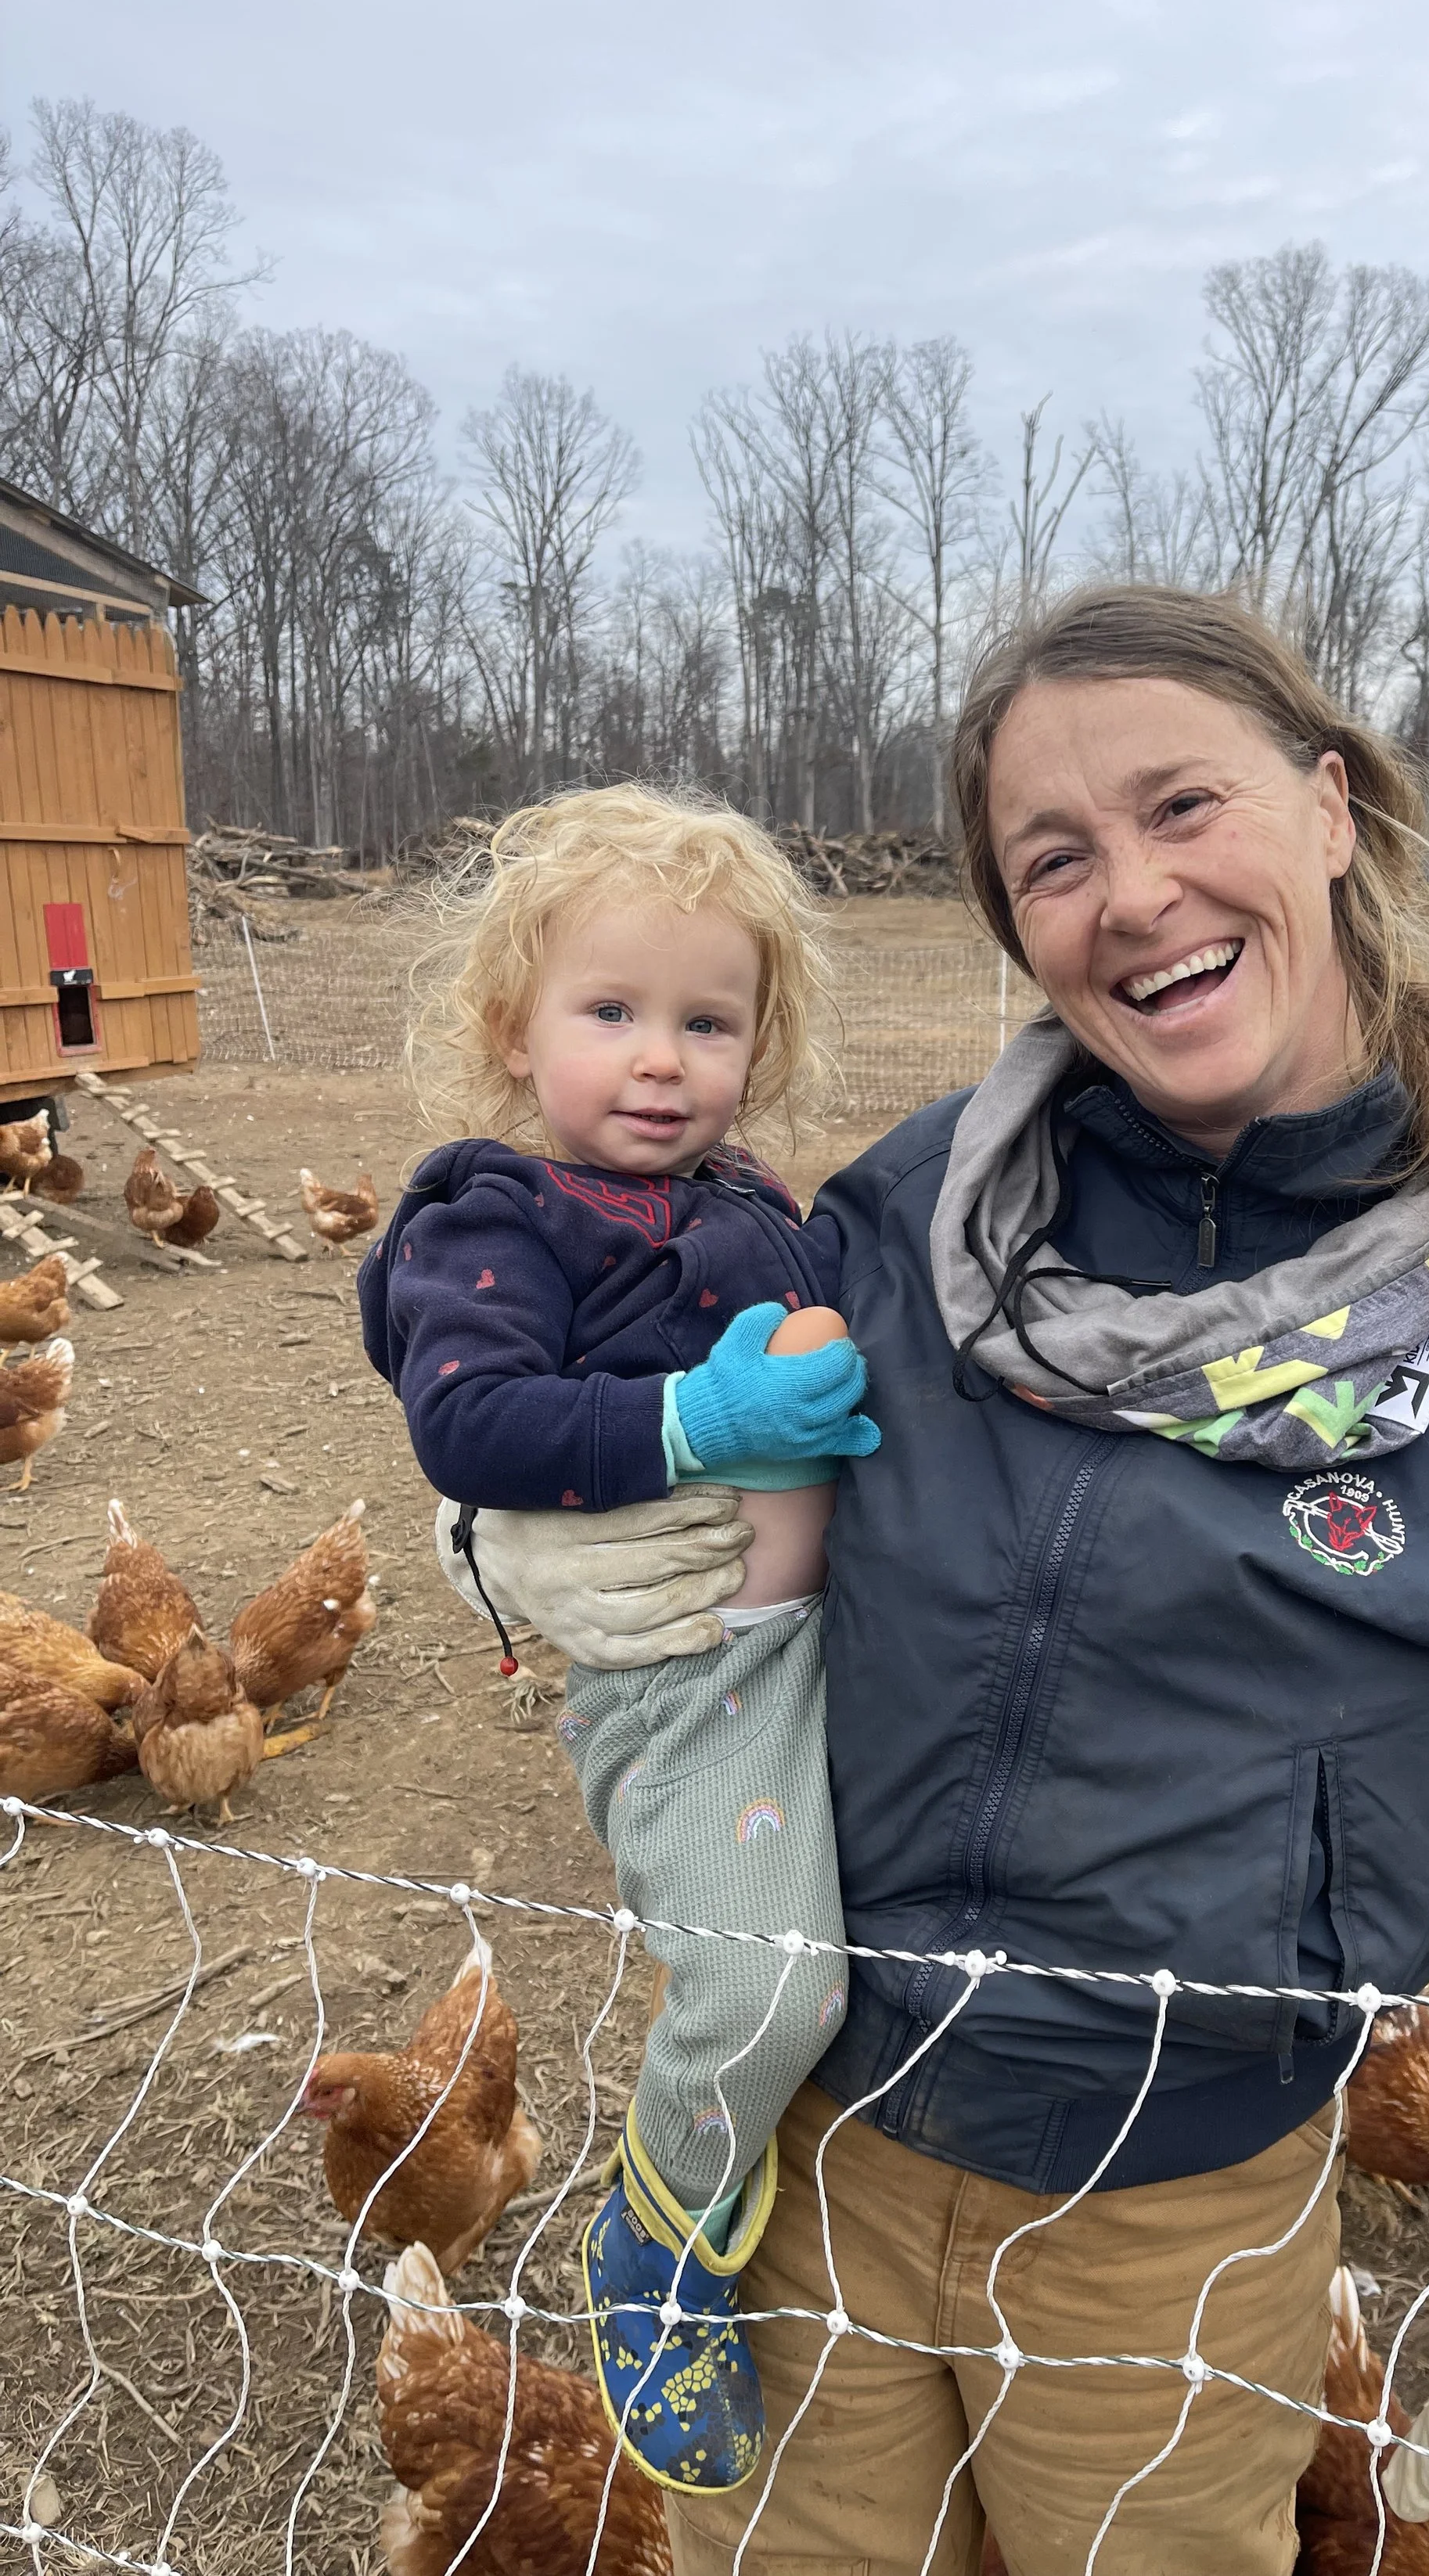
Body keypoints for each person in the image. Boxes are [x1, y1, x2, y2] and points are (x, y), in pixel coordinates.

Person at [436, 588, 1429, 2576]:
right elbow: (636, 1407)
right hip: (819, 2150)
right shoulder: (901, 1215)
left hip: (1174, 2218)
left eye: (1182, 805)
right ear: (1015, 925)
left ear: (1328, 807)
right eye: (1053, 858)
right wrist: (515, 1536)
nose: (1131, 893)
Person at [360, 786, 878, 2495]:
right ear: (512, 1031)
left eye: (706, 1021)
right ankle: (657, 2247)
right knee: (762, 1976)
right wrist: (691, 1418)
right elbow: (470, 1422)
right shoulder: (494, 1214)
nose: (662, 1059)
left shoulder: (755, 1197)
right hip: (687, 1667)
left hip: (838, 1641)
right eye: (612, 1011)